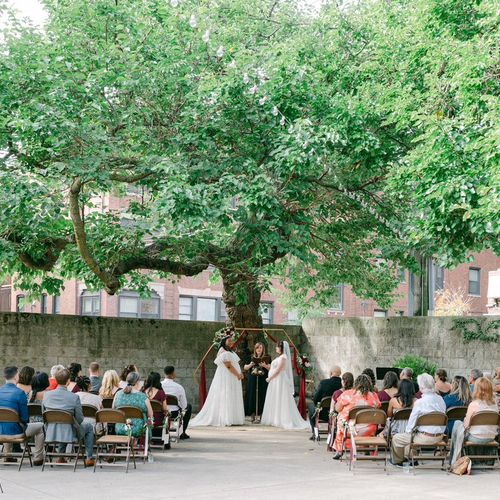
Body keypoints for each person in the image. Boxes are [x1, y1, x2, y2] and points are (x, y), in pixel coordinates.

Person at [42, 368, 95, 466]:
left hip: (51, 432)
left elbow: (44, 415)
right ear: (68, 381)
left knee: (65, 423)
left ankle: (61, 457)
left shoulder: (46, 395)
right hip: (70, 433)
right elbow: (79, 419)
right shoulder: (74, 397)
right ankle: (89, 457)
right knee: (88, 427)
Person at [390, 373, 446, 466]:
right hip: (439, 437)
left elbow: (410, 426)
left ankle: (398, 460)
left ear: (422, 387)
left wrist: (408, 432)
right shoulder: (441, 400)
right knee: (413, 434)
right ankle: (412, 458)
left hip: (424, 438)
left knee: (397, 438)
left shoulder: (420, 402)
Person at [191, 336, 245, 427]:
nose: (231, 341)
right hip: (228, 377)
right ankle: (226, 418)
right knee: (226, 394)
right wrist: (237, 374)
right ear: (224, 341)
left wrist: (240, 373)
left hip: (233, 377)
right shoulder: (223, 351)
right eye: (229, 340)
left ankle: (233, 417)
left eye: (232, 340)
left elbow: (234, 364)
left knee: (232, 395)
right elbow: (228, 366)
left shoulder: (230, 351)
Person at [0, 366, 45, 466]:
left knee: (6, 422)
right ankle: (38, 458)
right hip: (16, 433)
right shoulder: (20, 393)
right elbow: (25, 418)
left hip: (0, 431)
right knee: (41, 427)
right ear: (16, 377)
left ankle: (8, 455)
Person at [261, 341, 310, 430]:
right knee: (275, 398)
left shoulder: (283, 357)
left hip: (279, 380)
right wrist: (265, 366)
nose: (276, 348)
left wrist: (270, 378)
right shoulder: (280, 357)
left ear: (281, 348)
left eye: (277, 347)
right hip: (276, 380)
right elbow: (274, 368)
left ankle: (280, 419)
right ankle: (274, 418)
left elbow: (278, 370)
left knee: (280, 398)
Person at [449, 377, 498, 465]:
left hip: (475, 438)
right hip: (491, 437)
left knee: (457, 423)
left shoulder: (474, 404)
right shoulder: (495, 405)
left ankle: (454, 459)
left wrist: (464, 420)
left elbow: (466, 426)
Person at [333, 374, 381, 458]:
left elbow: (337, 408)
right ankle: (366, 448)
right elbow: (378, 407)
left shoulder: (347, 394)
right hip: (369, 430)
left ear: (356, 383)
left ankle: (339, 450)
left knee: (341, 419)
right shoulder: (374, 396)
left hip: (350, 429)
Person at [114, 372, 153, 438]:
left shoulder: (118, 394)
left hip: (120, 427)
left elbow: (114, 410)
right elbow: (150, 415)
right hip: (138, 429)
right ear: (137, 382)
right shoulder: (143, 397)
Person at [307, 366, 342, 439]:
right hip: (338, 414)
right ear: (340, 374)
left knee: (310, 406)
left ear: (330, 373)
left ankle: (315, 433)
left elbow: (316, 399)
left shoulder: (324, 383)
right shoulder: (343, 384)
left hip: (323, 413)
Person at [162, 366, 192, 439]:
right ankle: (182, 432)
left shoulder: (159, 385)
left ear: (164, 374)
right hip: (174, 414)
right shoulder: (179, 387)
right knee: (189, 406)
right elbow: (184, 406)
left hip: (161, 412)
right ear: (173, 374)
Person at [243, 342, 270, 423]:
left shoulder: (267, 357)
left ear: (263, 349)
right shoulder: (251, 357)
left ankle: (262, 415)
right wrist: (251, 364)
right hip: (252, 379)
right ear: (255, 349)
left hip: (263, 379)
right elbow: (245, 367)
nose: (259, 349)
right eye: (257, 348)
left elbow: (270, 368)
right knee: (252, 395)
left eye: (260, 348)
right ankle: (252, 415)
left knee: (262, 395)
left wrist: (265, 366)